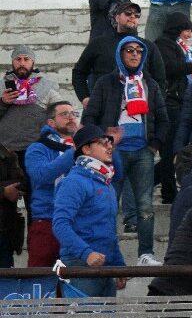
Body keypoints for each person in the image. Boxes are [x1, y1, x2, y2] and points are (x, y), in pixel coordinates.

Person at [81, 36, 169, 266]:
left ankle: (145, 254)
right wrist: (104, 139)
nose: (134, 54)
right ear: (120, 54)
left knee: (145, 205)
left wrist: (154, 144)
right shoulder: (105, 83)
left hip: (142, 152)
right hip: (113, 153)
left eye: (139, 51)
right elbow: (89, 116)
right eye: (129, 50)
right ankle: (106, 252)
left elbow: (163, 118)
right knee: (109, 204)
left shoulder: (149, 84)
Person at [52, 126, 126, 297]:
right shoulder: (74, 182)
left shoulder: (106, 183)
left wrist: (119, 264)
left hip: (105, 264)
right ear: (86, 149)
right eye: (102, 142)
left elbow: (109, 231)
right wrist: (87, 253)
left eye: (110, 142)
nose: (109, 147)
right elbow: (60, 224)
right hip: (80, 264)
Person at [0, 44, 62, 217]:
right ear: (12, 62)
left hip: (34, 152)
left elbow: (61, 111)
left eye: (26, 59)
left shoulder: (47, 85)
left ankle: (36, 244)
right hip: (6, 155)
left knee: (36, 206)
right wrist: (3, 102)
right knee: (5, 210)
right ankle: (10, 244)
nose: (22, 63)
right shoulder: (1, 85)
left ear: (33, 62)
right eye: (18, 59)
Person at [72, 0, 167, 108]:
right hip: (104, 106)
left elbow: (160, 79)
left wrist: (155, 105)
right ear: (117, 17)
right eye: (128, 13)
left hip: (139, 107)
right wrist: (85, 97)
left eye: (136, 15)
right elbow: (79, 72)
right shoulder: (99, 43)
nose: (132, 16)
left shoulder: (148, 46)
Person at [24, 101, 79, 267]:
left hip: (77, 221)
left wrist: (113, 146)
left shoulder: (86, 146)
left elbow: (115, 175)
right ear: (51, 122)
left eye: (73, 113)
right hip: (48, 221)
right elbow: (42, 175)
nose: (71, 117)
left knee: (74, 284)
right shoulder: (37, 148)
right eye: (64, 114)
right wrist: (73, 153)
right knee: (39, 280)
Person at [153, 12, 192, 204]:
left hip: (175, 102)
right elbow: (171, 68)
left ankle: (161, 187)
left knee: (172, 151)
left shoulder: (170, 44)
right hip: (169, 103)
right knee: (169, 151)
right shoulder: (163, 45)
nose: (188, 35)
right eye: (186, 30)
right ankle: (168, 192)